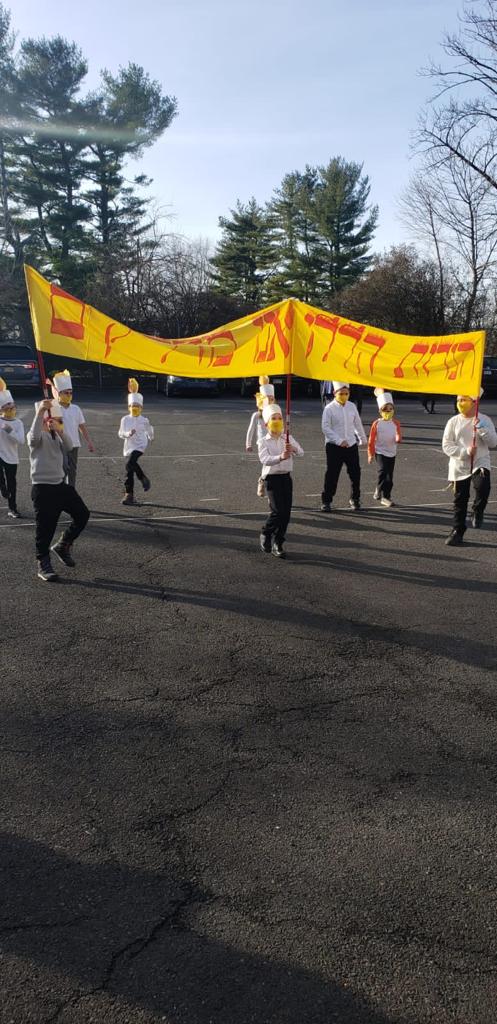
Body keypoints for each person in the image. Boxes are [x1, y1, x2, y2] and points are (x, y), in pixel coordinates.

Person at [27, 398, 90, 581]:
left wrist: (60, 431)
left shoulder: (57, 435)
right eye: (52, 418)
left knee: (82, 514)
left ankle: (63, 544)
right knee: (45, 530)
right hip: (43, 489)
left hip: (60, 485)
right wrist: (41, 412)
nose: (55, 421)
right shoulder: (37, 435)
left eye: (57, 419)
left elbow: (70, 446)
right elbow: (33, 438)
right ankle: (43, 563)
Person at [442, 388, 497, 546]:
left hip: (480, 461)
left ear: (474, 402)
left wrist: (481, 428)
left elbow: (493, 443)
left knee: (483, 487)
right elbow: (446, 445)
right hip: (459, 464)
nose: (460, 403)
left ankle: (478, 510)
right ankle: (457, 531)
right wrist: (465, 452)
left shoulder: (484, 419)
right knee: (460, 499)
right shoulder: (453, 421)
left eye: (464, 400)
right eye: (458, 400)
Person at [258, 402, 304, 559]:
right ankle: (266, 532)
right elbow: (264, 459)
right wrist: (280, 457)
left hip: (286, 477)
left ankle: (278, 542)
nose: (277, 421)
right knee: (277, 511)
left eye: (279, 418)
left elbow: (301, 452)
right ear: (267, 424)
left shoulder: (287, 437)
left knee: (286, 514)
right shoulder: (263, 441)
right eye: (273, 419)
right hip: (271, 479)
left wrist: (293, 449)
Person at [320, 381, 367, 512]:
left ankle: (355, 499)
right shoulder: (329, 408)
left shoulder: (352, 406)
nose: (344, 396)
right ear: (334, 393)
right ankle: (326, 501)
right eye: (341, 394)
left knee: (355, 473)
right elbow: (325, 428)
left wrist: (362, 438)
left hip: (351, 445)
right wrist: (339, 440)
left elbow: (357, 423)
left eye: (346, 394)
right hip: (334, 446)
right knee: (332, 474)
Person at [50, 370, 95, 486]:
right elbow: (53, 428)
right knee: (62, 469)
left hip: (74, 444)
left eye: (70, 392)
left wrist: (89, 442)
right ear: (59, 393)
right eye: (66, 393)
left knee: (72, 470)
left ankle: (71, 490)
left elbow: (82, 426)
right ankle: (61, 490)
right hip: (60, 444)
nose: (69, 395)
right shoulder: (54, 408)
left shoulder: (76, 409)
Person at [118, 379, 154, 505]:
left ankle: (132, 490)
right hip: (129, 446)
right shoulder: (125, 419)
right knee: (129, 468)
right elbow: (120, 433)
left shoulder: (144, 420)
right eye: (132, 406)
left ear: (141, 408)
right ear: (128, 407)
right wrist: (128, 434)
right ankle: (132, 493)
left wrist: (151, 436)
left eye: (137, 406)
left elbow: (149, 429)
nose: (135, 408)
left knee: (130, 463)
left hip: (140, 445)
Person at [367, 388, 402, 508]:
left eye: (390, 409)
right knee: (382, 471)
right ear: (380, 411)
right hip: (380, 451)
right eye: (385, 410)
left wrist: (398, 438)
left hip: (392, 452)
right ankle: (380, 490)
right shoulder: (377, 423)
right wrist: (370, 454)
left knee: (389, 476)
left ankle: (385, 495)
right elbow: (371, 440)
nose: (388, 412)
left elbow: (398, 433)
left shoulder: (396, 423)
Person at [0, 378, 25, 518]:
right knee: (1, 479)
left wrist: (10, 431)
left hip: (11, 456)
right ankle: (1, 486)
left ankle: (12, 508)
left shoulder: (18, 423)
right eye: (7, 407)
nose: (10, 409)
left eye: (12, 406)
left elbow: (21, 441)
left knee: (12, 483)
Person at [246, 377, 275, 497]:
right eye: (267, 399)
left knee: (272, 465)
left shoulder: (275, 414)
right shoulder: (257, 415)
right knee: (267, 462)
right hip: (262, 442)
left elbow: (281, 428)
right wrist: (248, 443)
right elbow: (251, 429)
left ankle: (265, 483)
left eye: (271, 399)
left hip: (274, 441)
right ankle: (262, 481)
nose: (270, 402)